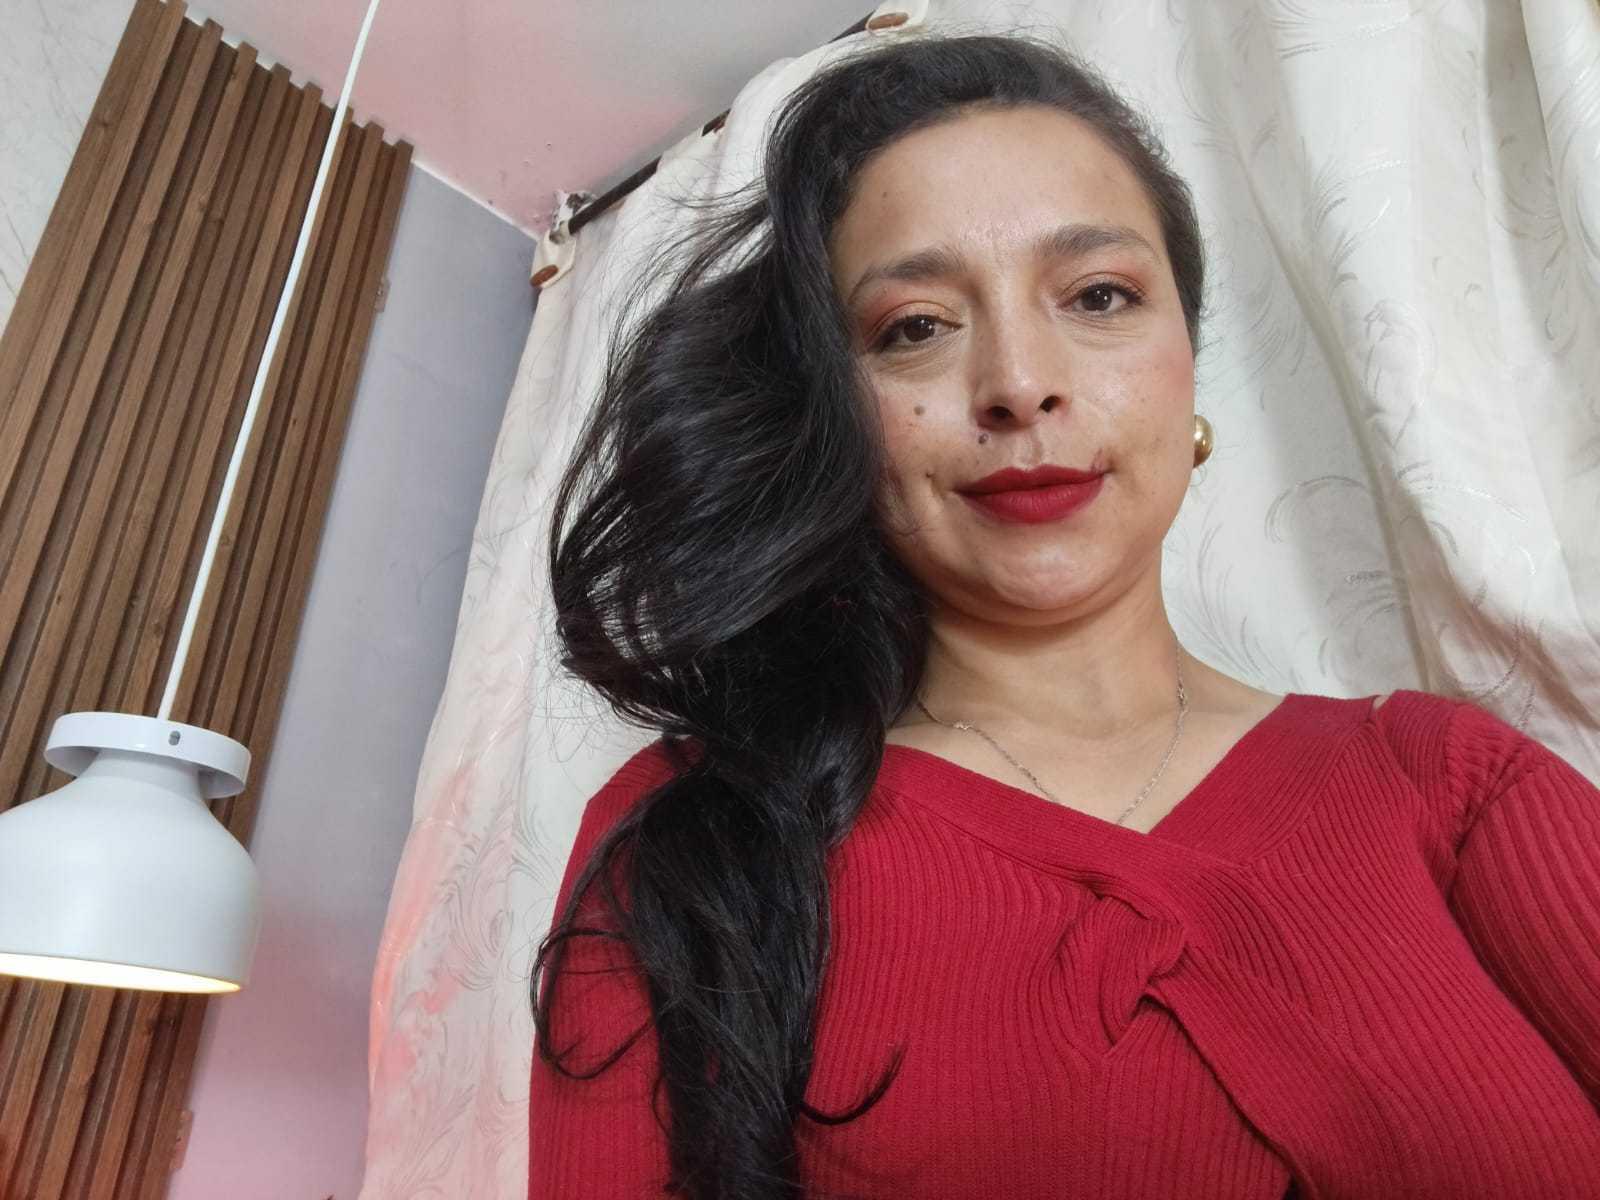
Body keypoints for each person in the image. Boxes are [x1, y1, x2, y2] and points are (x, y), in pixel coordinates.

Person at [527, 31, 1600, 1200]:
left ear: (1186, 366)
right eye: (914, 326)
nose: (1018, 383)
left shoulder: (1448, 781)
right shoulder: (694, 843)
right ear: (834, 414)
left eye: (1098, 297)